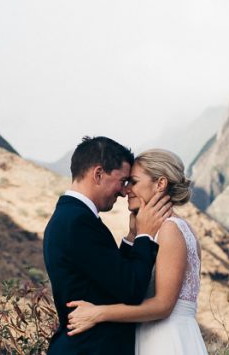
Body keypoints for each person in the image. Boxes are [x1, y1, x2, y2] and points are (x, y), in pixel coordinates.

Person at [65, 149, 208, 355]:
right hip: (156, 335)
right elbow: (126, 283)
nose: (126, 190)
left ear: (160, 184)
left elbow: (163, 306)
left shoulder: (170, 229)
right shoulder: (170, 228)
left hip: (167, 340)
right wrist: (134, 235)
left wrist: (98, 313)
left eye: (133, 182)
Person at [43, 136, 173, 354]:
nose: (124, 192)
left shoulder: (72, 216)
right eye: (122, 181)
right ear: (98, 174)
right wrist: (145, 235)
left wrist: (132, 237)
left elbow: (108, 277)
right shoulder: (77, 222)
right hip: (90, 348)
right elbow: (130, 289)